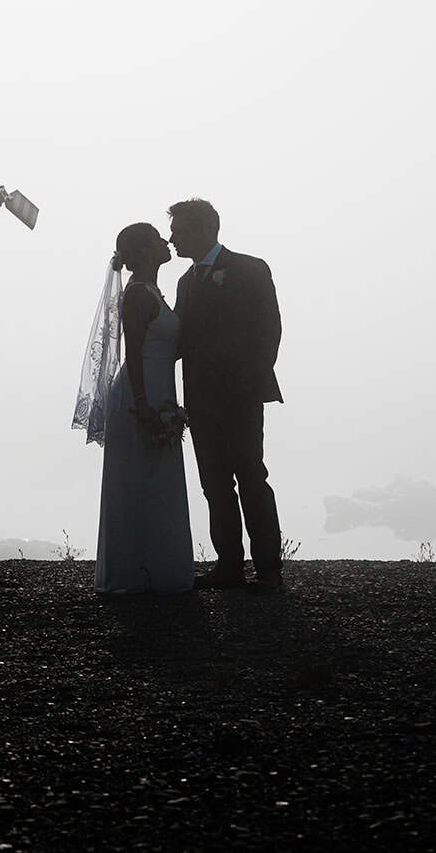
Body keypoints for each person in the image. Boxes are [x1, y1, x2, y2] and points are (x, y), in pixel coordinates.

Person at [168, 198, 284, 590]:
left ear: (204, 230)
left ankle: (269, 569)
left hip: (241, 397)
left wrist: (248, 384)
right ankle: (229, 565)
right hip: (200, 400)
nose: (172, 239)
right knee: (214, 484)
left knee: (251, 476)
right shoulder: (185, 282)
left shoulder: (250, 269)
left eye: (179, 230)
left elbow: (269, 331)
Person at [74, 222, 194, 595]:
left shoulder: (154, 291)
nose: (166, 242)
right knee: (138, 480)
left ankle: (154, 568)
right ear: (144, 251)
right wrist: (143, 404)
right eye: (159, 238)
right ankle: (134, 571)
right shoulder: (139, 295)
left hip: (160, 390)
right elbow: (134, 354)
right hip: (141, 391)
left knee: (156, 481)